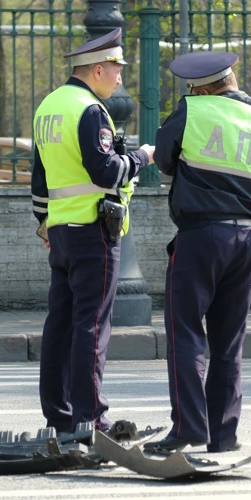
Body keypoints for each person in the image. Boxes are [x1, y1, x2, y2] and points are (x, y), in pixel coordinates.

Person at [146, 51, 251, 454]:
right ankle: (223, 435)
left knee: (186, 332)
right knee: (229, 343)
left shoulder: (193, 111)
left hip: (200, 237)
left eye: (192, 88)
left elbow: (163, 161)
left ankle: (188, 429)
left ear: (202, 87)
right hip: (248, 244)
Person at [30, 28, 155, 434]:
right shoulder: (89, 110)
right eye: (116, 69)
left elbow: (38, 180)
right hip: (93, 231)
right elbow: (106, 172)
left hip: (61, 232)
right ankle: (90, 418)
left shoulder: (48, 106)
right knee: (92, 325)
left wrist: (44, 223)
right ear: (98, 69)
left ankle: (59, 416)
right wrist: (140, 157)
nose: (120, 77)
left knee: (60, 324)